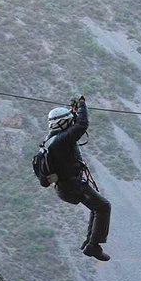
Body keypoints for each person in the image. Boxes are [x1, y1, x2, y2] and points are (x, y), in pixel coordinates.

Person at [45, 96, 111, 261]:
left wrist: (74, 111)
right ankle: (93, 246)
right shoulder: (62, 140)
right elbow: (82, 125)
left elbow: (75, 125)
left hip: (65, 186)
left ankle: (90, 243)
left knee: (96, 207)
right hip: (72, 186)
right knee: (103, 207)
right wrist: (81, 104)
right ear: (63, 123)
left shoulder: (52, 139)